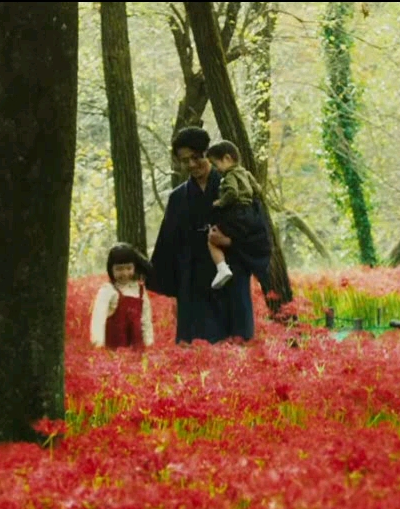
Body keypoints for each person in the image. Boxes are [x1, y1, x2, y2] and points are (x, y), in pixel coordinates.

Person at [148, 127, 272, 344]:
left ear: (209, 153)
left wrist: (228, 241)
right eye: (185, 161)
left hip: (231, 277)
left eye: (197, 157)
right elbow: (169, 248)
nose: (192, 165)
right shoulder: (178, 198)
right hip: (193, 285)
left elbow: (259, 233)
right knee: (197, 352)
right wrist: (175, 294)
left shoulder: (236, 187)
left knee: (235, 349)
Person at [204, 140, 264, 290]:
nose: (216, 169)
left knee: (212, 236)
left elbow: (232, 192)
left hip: (236, 212)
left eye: (215, 163)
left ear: (227, 159)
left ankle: (222, 268)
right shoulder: (246, 173)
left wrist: (220, 202)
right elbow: (257, 189)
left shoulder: (230, 176)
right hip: (248, 213)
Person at [89, 243, 156, 350]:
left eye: (129, 268)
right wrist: (98, 346)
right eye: (119, 269)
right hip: (113, 354)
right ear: (111, 269)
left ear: (135, 267)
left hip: (138, 352)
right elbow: (98, 319)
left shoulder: (140, 290)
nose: (124, 273)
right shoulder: (107, 290)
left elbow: (146, 320)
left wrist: (149, 344)